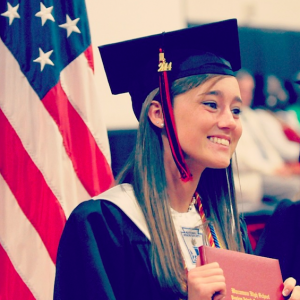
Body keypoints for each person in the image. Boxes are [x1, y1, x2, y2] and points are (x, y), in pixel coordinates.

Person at [54, 20, 300, 300]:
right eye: (211, 104)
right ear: (158, 114)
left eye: (236, 110)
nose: (230, 122)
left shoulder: (226, 227)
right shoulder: (104, 226)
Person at [233, 69, 300, 208]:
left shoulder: (252, 115)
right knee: (296, 186)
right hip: (252, 176)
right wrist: (274, 169)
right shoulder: (231, 117)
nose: (248, 95)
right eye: (243, 90)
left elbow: (267, 148)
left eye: (250, 90)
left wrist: (281, 167)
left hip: (268, 171)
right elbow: (242, 159)